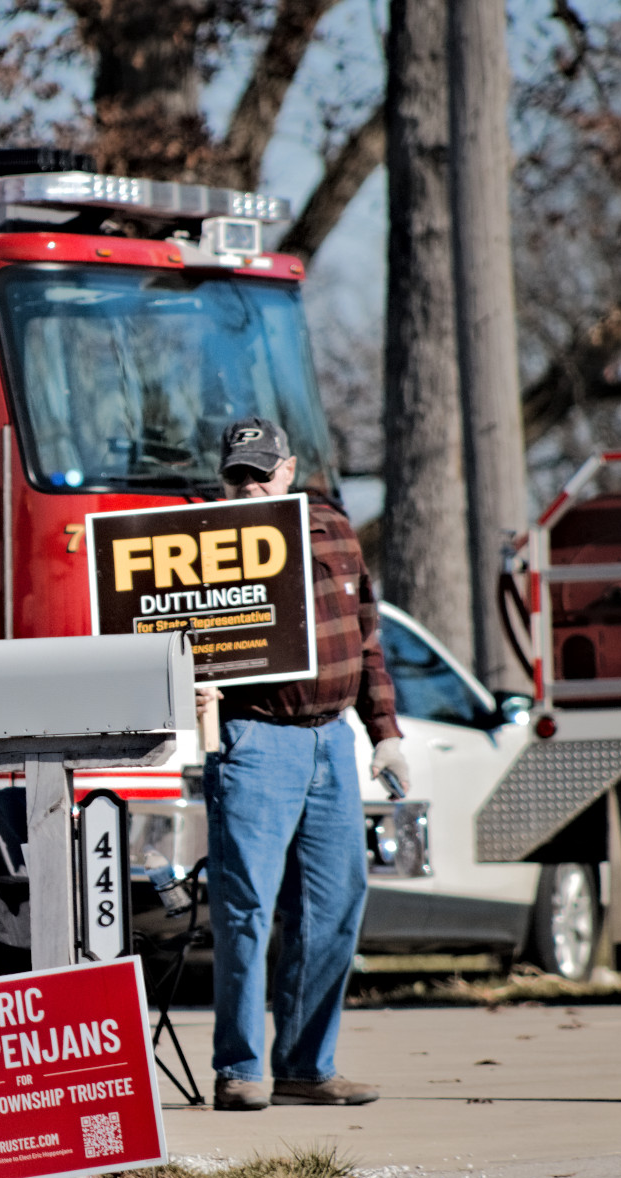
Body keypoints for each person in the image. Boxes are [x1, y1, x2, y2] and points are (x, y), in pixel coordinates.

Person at [199, 417, 408, 1111]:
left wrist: (385, 732)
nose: (250, 483)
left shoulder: (335, 529)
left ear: (288, 469)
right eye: (238, 474)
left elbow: (367, 637)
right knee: (246, 909)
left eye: (262, 470)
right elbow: (157, 640)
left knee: (335, 905)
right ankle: (240, 1069)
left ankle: (305, 1066)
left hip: (334, 741)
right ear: (223, 479)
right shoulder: (199, 545)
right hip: (254, 740)